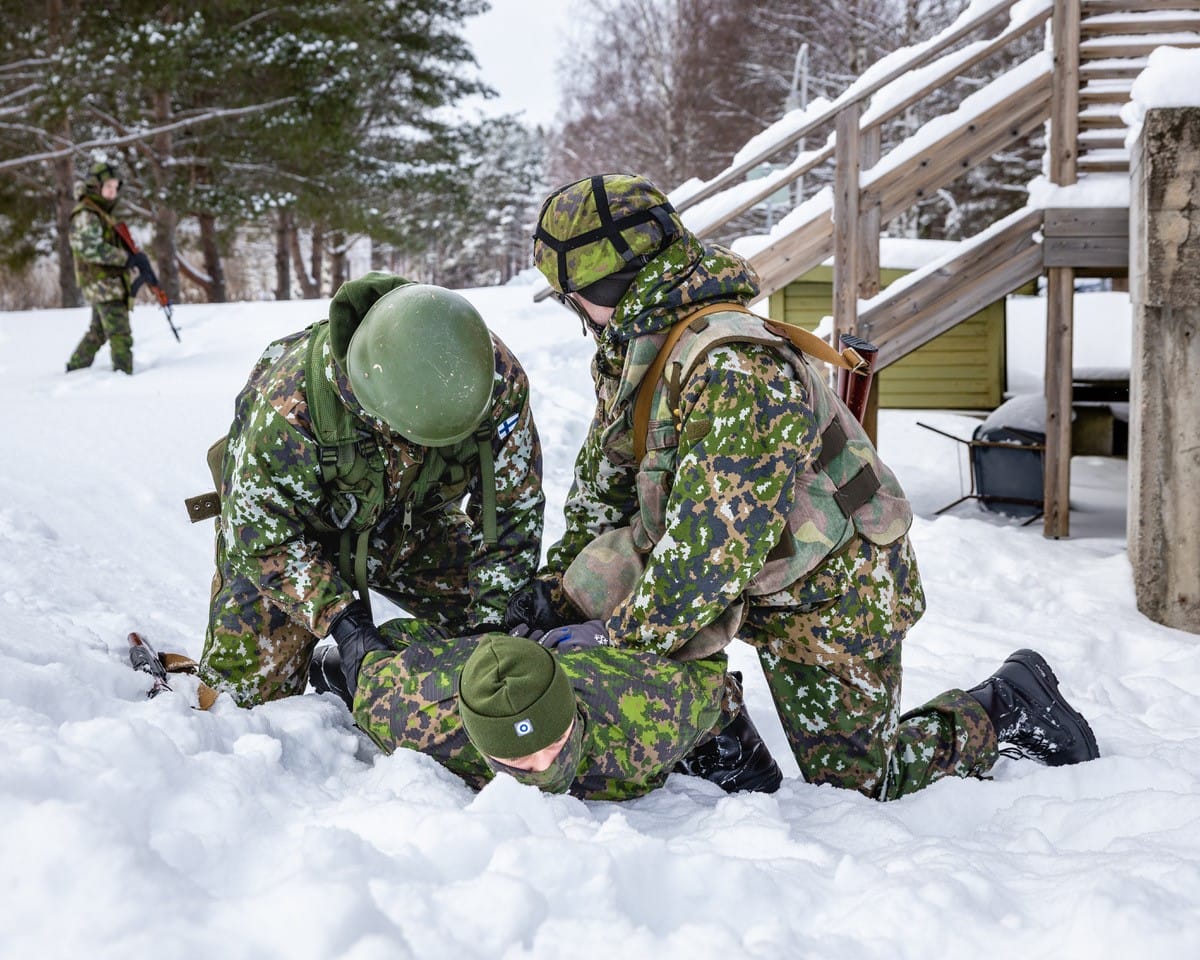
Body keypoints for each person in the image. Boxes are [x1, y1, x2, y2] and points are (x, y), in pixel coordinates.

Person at [508, 172, 1099, 801]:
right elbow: (606, 486)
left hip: (831, 585)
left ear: (605, 284)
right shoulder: (633, 344)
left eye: (573, 297)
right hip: (752, 566)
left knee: (865, 786)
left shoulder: (734, 368)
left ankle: (1005, 705)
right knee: (642, 611)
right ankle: (718, 734)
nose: (578, 313)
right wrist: (559, 592)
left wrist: (617, 636)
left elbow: (711, 555)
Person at [195, 274, 545, 706]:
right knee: (239, 707)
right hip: (298, 547)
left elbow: (513, 511)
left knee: (519, 639)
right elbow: (263, 537)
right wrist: (346, 623)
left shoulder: (490, 379)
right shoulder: (288, 405)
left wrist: (491, 624)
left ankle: (366, 673)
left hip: (411, 529)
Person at [309, 619, 782, 799]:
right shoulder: (409, 716)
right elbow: (372, 671)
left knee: (758, 781)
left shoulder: (653, 706)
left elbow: (710, 676)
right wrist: (353, 645)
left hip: (595, 660)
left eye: (556, 746)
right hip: (457, 654)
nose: (543, 771)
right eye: (517, 763)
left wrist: (614, 632)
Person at [66, 160, 154, 375]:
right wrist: (125, 258)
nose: (112, 192)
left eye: (115, 188)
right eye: (108, 187)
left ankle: (75, 369)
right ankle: (124, 374)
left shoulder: (102, 211)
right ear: (95, 186)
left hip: (108, 281)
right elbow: (89, 248)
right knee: (119, 331)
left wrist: (135, 256)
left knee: (98, 331)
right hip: (102, 282)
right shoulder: (87, 213)